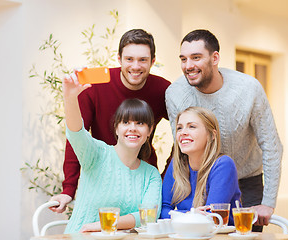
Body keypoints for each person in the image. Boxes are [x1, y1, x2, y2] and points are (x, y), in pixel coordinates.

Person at [165, 29, 283, 231]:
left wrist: (268, 202)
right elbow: (183, 144)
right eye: (183, 59)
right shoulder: (175, 93)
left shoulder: (248, 89)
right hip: (201, 181)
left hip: (247, 182)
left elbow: (272, 146)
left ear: (215, 58)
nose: (188, 66)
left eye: (196, 57)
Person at [49, 29, 170, 213]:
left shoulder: (163, 90)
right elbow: (76, 137)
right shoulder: (95, 85)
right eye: (129, 59)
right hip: (102, 176)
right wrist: (69, 188)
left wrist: (168, 175)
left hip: (142, 178)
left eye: (143, 60)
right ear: (119, 58)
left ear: (153, 61)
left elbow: (186, 130)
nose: (135, 66)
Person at [62, 70, 162, 233]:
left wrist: (101, 225)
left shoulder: (150, 174)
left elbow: (148, 217)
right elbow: (76, 133)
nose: (132, 128)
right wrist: (70, 97)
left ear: (150, 130)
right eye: (125, 122)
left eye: (140, 123)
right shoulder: (97, 153)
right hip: (80, 235)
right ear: (116, 128)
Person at [160, 107, 241, 226]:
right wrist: (190, 214)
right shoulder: (176, 165)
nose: (183, 132)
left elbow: (209, 217)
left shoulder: (223, 165)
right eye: (179, 128)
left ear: (211, 135)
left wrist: (178, 214)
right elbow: (163, 210)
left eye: (192, 126)